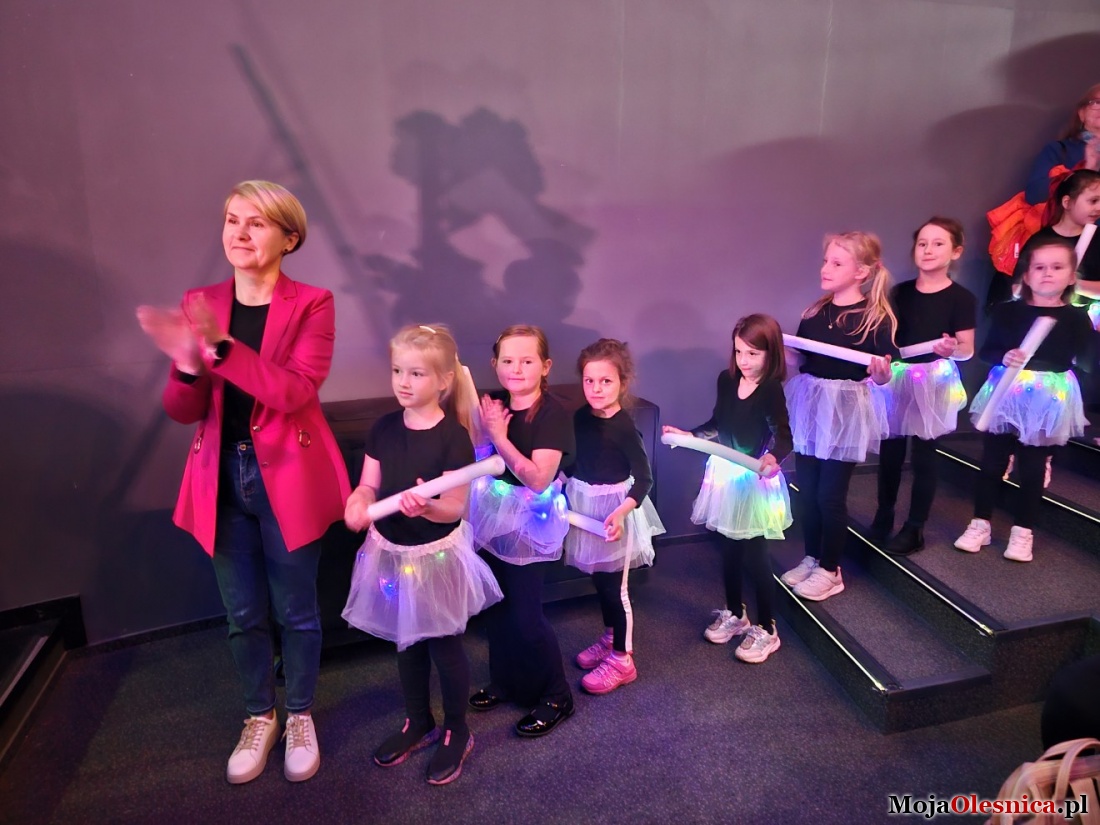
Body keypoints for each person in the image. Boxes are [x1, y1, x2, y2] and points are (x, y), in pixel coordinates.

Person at [136, 181, 351, 784]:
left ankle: (300, 714)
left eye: (256, 223)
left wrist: (222, 348)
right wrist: (187, 365)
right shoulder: (200, 301)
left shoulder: (313, 303)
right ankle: (261, 716)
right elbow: (184, 411)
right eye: (233, 220)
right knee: (243, 614)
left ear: (289, 238)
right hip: (221, 477)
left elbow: (294, 392)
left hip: (289, 477)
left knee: (297, 612)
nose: (240, 232)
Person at [342, 324, 501, 785]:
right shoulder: (383, 428)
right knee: (406, 641)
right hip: (392, 552)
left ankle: (457, 729)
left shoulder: (452, 437)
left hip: (436, 555)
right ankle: (418, 721)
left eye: (416, 373)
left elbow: (454, 506)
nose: (403, 382)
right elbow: (368, 484)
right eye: (397, 371)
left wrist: (428, 507)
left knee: (444, 645)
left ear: (443, 380)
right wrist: (358, 501)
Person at [663, 314, 792, 663]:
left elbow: (784, 436)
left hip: (753, 480)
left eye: (753, 353)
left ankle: (767, 628)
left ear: (771, 353)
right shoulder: (726, 380)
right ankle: (736, 613)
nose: (744, 361)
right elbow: (718, 423)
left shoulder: (770, 390)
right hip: (725, 475)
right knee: (729, 551)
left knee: (757, 556)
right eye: (739, 352)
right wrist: (689, 435)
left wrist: (773, 457)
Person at [467, 325, 576, 737]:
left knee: (526, 616)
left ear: (545, 366)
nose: (516, 368)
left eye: (527, 361)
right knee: (496, 608)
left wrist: (499, 435)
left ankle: (557, 695)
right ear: (495, 364)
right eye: (508, 360)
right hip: (494, 511)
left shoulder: (553, 413)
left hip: (532, 520)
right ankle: (506, 681)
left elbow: (537, 479)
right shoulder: (494, 402)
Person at [955, 239, 1092, 562]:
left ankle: (1023, 531)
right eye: (1039, 267)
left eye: (1057, 267)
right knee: (992, 461)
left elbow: (1086, 361)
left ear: (1071, 276)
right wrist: (1004, 356)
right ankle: (980, 523)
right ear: (1027, 276)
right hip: (1008, 391)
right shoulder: (1008, 311)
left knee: (1032, 466)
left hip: (1048, 396)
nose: (1047, 273)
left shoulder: (1076, 318)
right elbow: (987, 351)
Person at [781, 232, 898, 601]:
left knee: (830, 495)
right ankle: (812, 556)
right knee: (808, 490)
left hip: (845, 412)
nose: (825, 268)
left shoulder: (875, 318)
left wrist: (882, 374)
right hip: (812, 406)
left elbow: (883, 375)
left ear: (861, 272)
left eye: (836, 263)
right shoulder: (815, 312)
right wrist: (781, 348)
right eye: (825, 261)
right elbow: (802, 359)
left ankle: (831, 570)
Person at [564, 339, 665, 692]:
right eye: (589, 381)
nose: (596, 388)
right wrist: (556, 484)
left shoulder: (624, 427)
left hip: (614, 512)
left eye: (605, 381)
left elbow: (645, 478)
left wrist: (622, 513)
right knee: (599, 581)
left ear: (622, 382)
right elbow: (574, 460)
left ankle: (623, 660)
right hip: (584, 507)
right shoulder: (580, 417)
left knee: (615, 589)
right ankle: (610, 638)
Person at [873, 218, 976, 555]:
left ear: (956, 252)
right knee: (890, 451)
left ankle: (915, 526)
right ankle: (884, 514)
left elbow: (967, 348)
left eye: (938, 243)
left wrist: (951, 349)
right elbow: (887, 336)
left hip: (932, 381)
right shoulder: (899, 293)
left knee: (924, 454)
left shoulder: (960, 298)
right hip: (898, 378)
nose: (928, 250)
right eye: (922, 244)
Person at [987, 83, 1100, 301]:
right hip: (1056, 240)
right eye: (1096, 102)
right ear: (1081, 113)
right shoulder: (1059, 150)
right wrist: (1085, 171)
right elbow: (1035, 194)